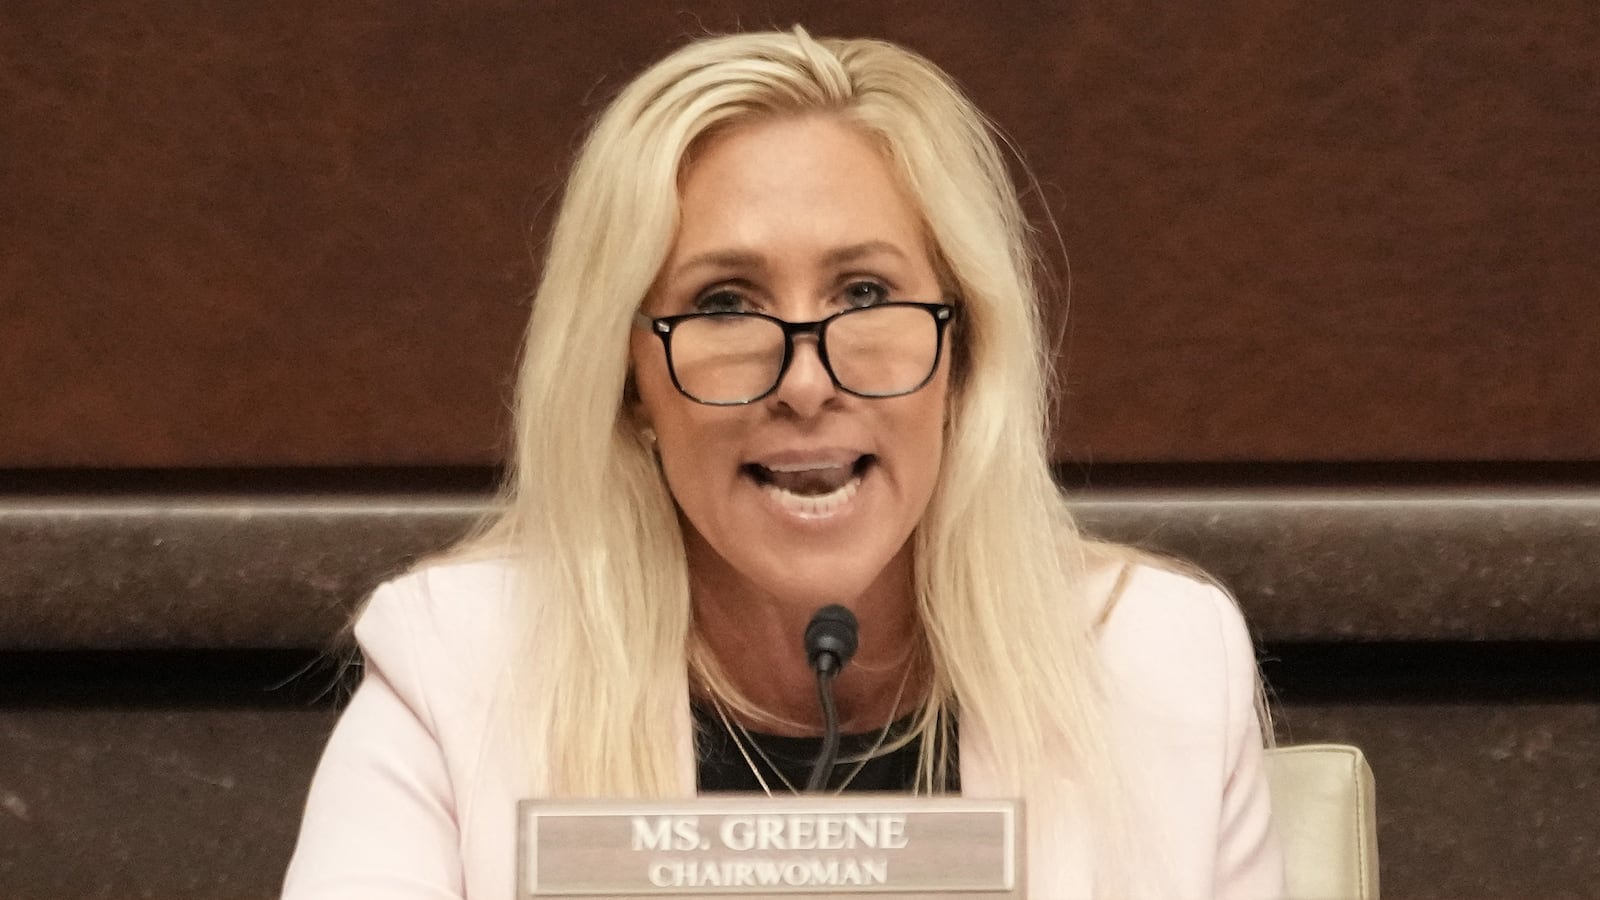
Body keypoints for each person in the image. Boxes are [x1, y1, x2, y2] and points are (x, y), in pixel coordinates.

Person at [282, 27, 1282, 899]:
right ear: (629, 381)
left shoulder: (1155, 665)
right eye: (723, 304)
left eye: (861, 293)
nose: (805, 382)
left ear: (965, 352)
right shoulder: (464, 667)